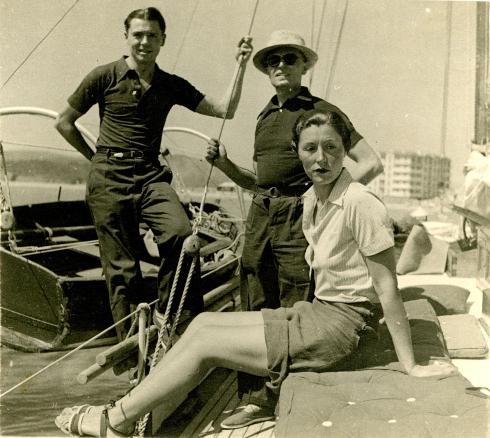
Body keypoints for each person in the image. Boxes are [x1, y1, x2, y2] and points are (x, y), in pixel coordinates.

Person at [54, 108, 455, 437]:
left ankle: (115, 421)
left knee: (206, 347)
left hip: (344, 328)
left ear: (346, 150)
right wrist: (224, 166)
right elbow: (257, 186)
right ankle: (129, 411)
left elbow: (388, 292)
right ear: (298, 152)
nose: (321, 158)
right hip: (319, 312)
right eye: (310, 148)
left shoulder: (360, 202)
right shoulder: (314, 198)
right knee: (205, 325)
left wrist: (412, 366)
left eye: (332, 148)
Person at [205, 29, 383, 427]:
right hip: (260, 214)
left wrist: (327, 204)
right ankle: (253, 399)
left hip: (297, 217)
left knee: (295, 300)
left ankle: (292, 394)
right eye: (273, 61)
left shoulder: (322, 112)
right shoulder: (265, 115)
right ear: (266, 70)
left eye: (289, 58)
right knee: (254, 295)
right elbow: (257, 180)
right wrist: (224, 166)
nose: (280, 66)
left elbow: (370, 163)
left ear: (305, 64)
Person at [55, 7, 252, 341]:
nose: (144, 42)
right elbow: (63, 122)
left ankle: (177, 323)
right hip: (108, 176)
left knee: (182, 235)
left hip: (150, 176)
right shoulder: (103, 76)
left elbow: (225, 110)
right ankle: (133, 350)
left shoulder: (169, 84)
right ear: (127, 37)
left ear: (162, 40)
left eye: (152, 36)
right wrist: (96, 160)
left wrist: (241, 64)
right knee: (121, 270)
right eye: (138, 35)